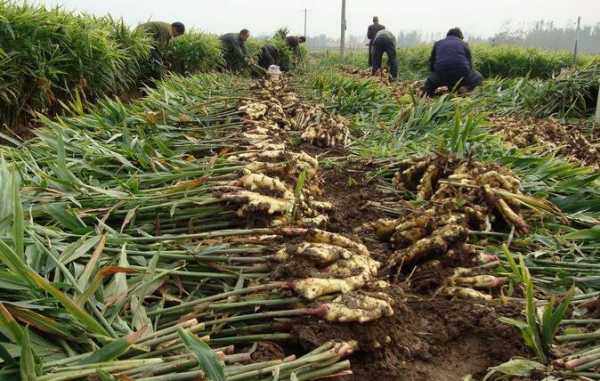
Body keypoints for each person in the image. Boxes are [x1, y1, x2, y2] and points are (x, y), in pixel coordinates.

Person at [424, 27, 483, 97]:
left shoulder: (438, 43)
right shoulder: (464, 44)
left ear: (448, 35)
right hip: (461, 76)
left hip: (442, 75)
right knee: (478, 77)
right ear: (460, 37)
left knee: (429, 83)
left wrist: (434, 75)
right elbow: (470, 65)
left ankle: (428, 98)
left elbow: (432, 62)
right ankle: (466, 89)